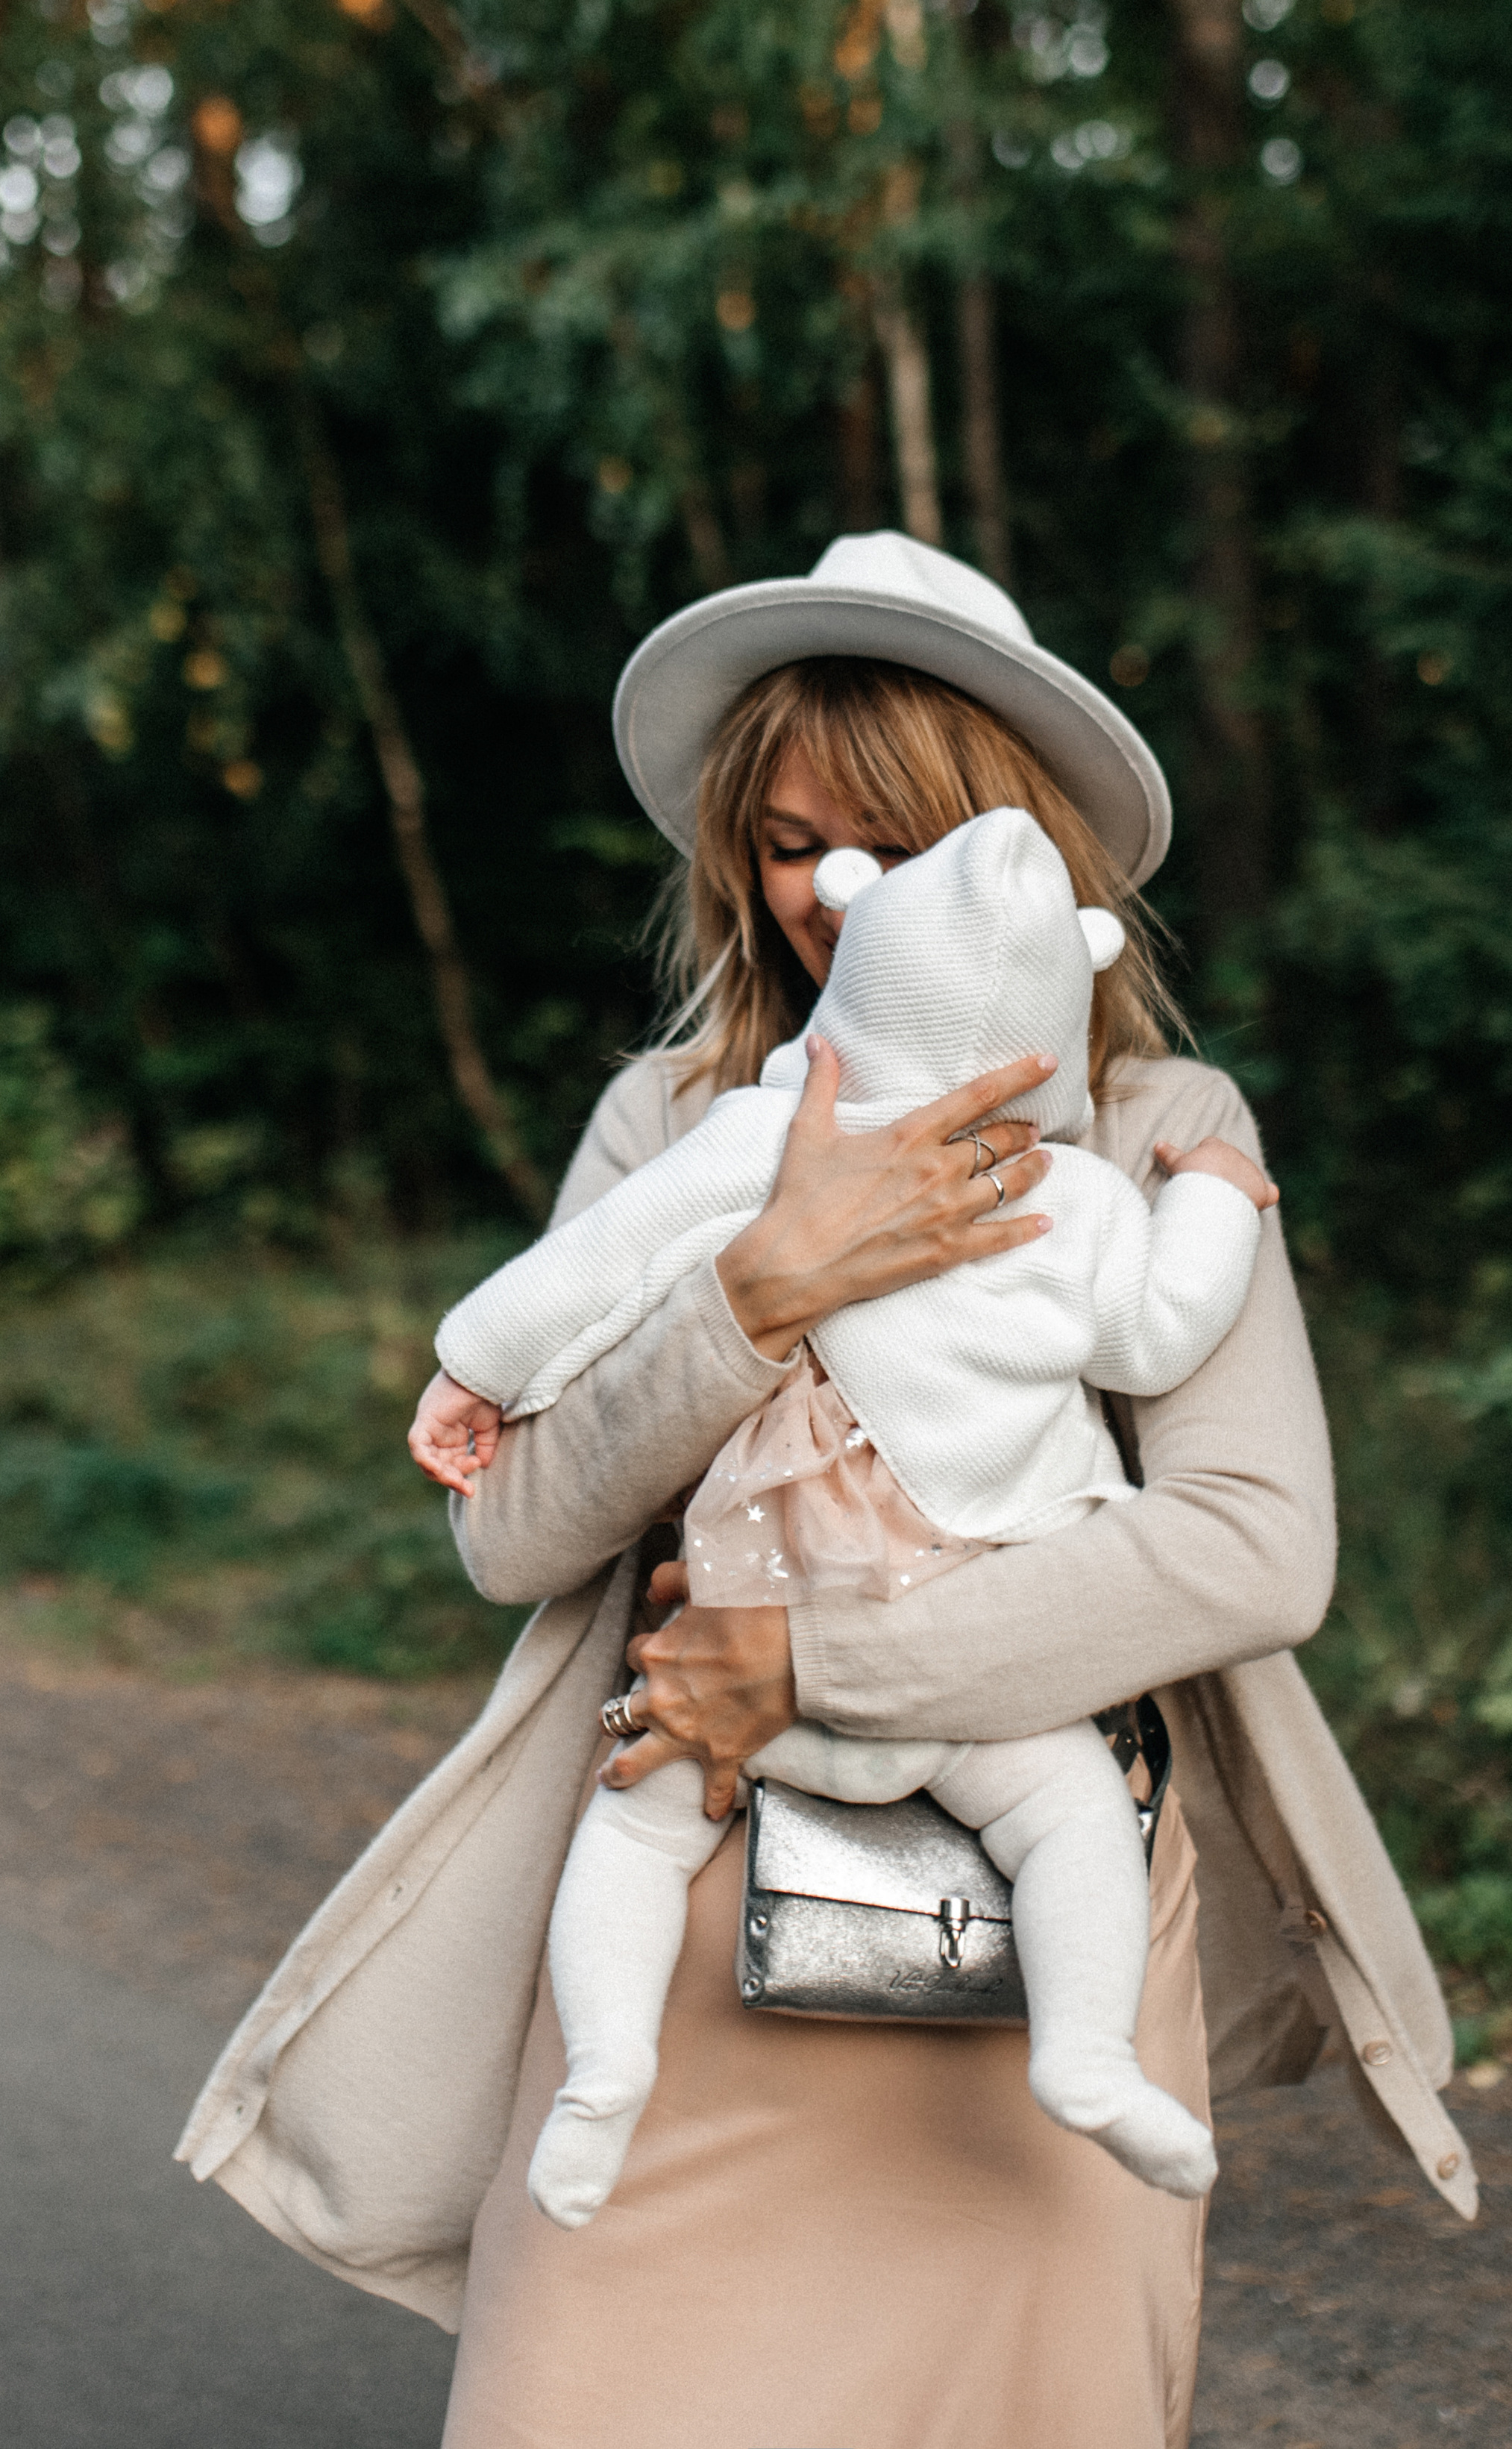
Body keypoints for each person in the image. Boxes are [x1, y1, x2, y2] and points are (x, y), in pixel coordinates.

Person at [177, 532, 1476, 2449]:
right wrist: (761, 1285)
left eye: (886, 835)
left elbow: (1253, 1546)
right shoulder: (676, 1128)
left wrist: (815, 1657)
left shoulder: (1161, 1139)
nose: (822, 889)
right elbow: (511, 1534)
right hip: (686, 1922)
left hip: (1046, 1951)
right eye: (786, 840)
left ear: (1016, 850)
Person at [434, 805, 1276, 2227]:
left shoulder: (757, 1136)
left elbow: (593, 1270)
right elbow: (1159, 1333)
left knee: (634, 1835)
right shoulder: (1073, 1194)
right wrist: (1220, 1207)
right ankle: (1083, 2059)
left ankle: (606, 2073)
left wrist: (471, 1369)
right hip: (978, 1651)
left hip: (744, 1631)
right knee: (1074, 1822)